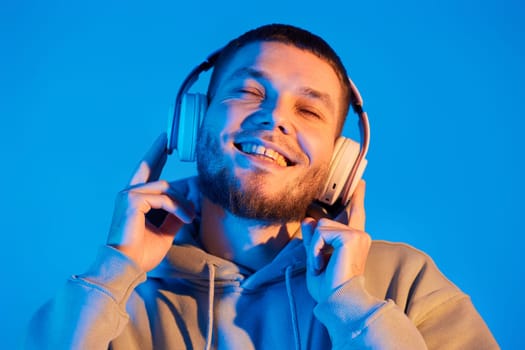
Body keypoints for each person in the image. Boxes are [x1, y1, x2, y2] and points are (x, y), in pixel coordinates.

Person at [25, 23, 498, 349]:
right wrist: (114, 270)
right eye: (248, 92)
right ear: (193, 124)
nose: (274, 117)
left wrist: (350, 305)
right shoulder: (115, 305)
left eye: (309, 111)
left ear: (340, 162)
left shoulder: (404, 283)